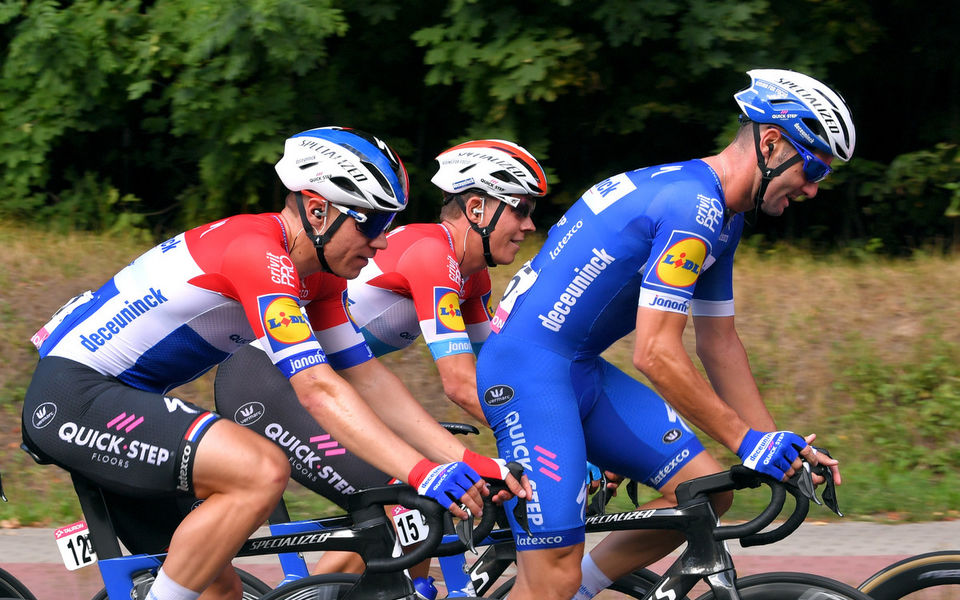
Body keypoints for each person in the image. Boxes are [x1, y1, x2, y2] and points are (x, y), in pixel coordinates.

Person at [21, 126, 522, 600]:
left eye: (389, 222)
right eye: (370, 221)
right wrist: (419, 471)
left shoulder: (320, 278)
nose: (383, 241)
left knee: (218, 588)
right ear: (318, 211)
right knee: (259, 470)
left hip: (122, 399)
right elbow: (317, 390)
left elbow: (366, 379)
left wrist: (459, 461)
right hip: (74, 395)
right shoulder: (259, 255)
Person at [475, 68, 855, 600]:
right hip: (527, 374)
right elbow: (655, 352)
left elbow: (718, 343)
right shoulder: (691, 208)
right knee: (552, 571)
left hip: (577, 369)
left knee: (701, 493)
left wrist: (773, 445)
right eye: (813, 167)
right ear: (771, 143)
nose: (813, 188)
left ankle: (579, 592)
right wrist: (745, 441)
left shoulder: (723, 214)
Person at [214, 138, 546, 576]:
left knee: (414, 514)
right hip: (268, 382)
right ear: (478, 210)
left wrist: (551, 438)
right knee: (409, 501)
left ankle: (351, 589)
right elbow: (462, 383)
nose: (528, 226)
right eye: (520, 209)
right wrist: (548, 451)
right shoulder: (432, 254)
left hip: (336, 387)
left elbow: (496, 378)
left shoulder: (473, 276)